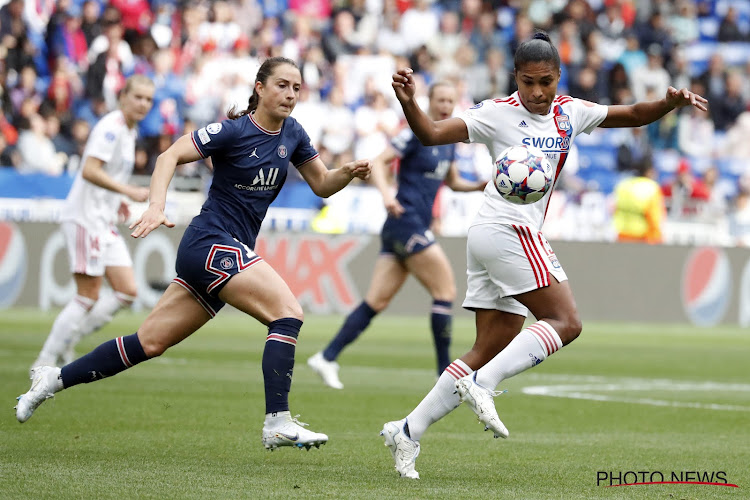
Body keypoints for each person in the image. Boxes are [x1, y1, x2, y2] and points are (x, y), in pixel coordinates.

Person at [381, 31, 707, 479]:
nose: (537, 92)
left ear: (558, 77)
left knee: (489, 345)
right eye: (528, 82)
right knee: (566, 322)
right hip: (507, 228)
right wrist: (408, 102)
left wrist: (669, 103)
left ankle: (407, 430)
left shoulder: (569, 112)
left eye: (546, 81)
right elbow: (432, 133)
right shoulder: (496, 115)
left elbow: (631, 114)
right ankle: (484, 384)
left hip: (496, 234)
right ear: (515, 77)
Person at [16, 57, 371, 451]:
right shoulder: (233, 131)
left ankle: (52, 379)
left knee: (148, 343)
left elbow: (322, 184)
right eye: (282, 85)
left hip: (222, 252)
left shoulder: (295, 134)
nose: (290, 94)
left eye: (297, 88)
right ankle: (277, 421)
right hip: (210, 243)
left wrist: (347, 173)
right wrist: (155, 205)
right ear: (259, 87)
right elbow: (168, 156)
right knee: (287, 313)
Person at [307, 82, 486, 389]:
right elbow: (378, 161)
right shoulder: (416, 132)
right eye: (440, 100)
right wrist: (386, 195)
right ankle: (444, 372)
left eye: (450, 101)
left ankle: (326, 356)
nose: (445, 105)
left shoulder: (449, 141)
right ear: (429, 101)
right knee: (445, 291)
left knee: (376, 300)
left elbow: (453, 182)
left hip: (405, 228)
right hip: (407, 223)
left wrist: (480, 186)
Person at [30, 75, 155, 371]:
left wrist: (118, 199)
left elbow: (108, 174)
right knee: (88, 295)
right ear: (122, 96)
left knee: (126, 291)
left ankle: (68, 341)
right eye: (137, 97)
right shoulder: (110, 128)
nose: (143, 104)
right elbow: (88, 170)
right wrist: (127, 191)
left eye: (148, 99)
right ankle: (43, 362)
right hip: (85, 218)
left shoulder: (129, 131)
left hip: (103, 219)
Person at [613, 161, 665, 244]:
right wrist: (658, 238)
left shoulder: (623, 185)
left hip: (622, 236)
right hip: (642, 237)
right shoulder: (651, 187)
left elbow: (614, 209)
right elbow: (654, 217)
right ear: (648, 171)